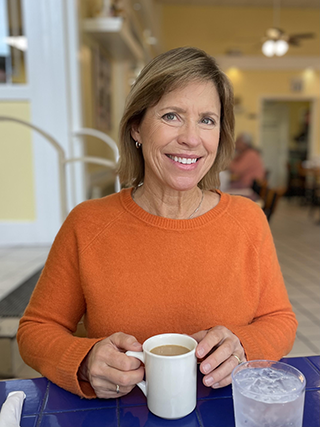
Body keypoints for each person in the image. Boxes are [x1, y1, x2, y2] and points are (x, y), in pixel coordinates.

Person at [17, 47, 297, 400]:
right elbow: (36, 330)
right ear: (137, 127)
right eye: (171, 116)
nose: (191, 138)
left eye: (207, 120)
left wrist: (244, 344)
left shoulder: (248, 219)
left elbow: (281, 320)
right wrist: (85, 360)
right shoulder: (88, 223)